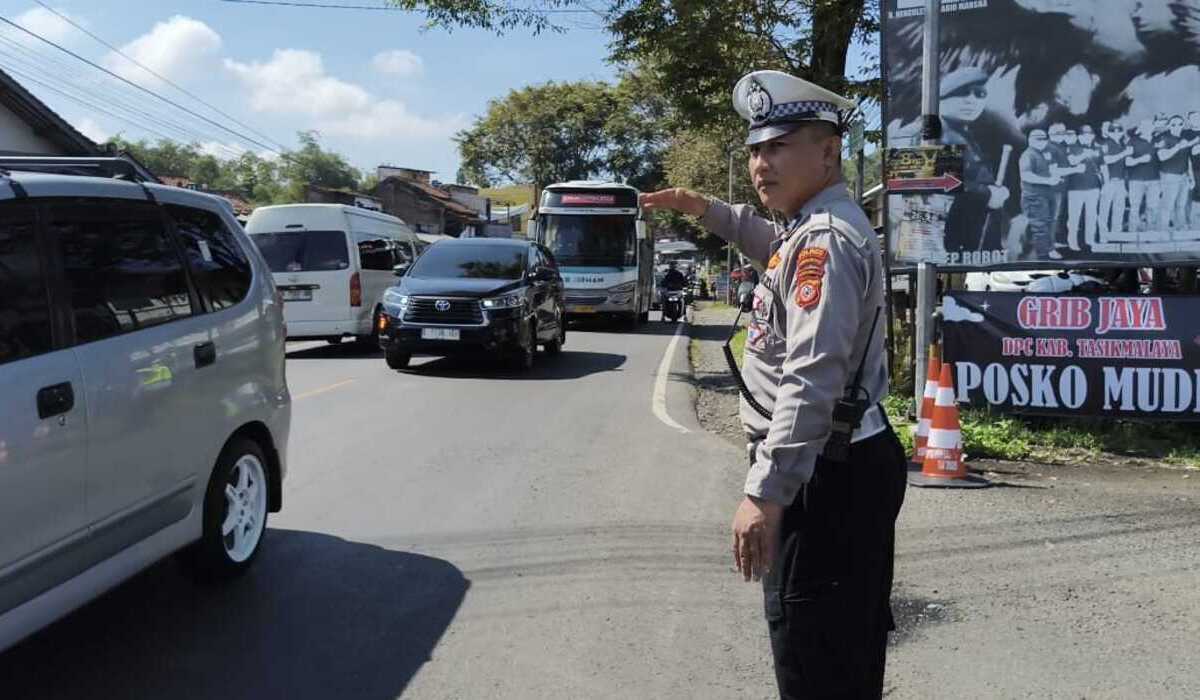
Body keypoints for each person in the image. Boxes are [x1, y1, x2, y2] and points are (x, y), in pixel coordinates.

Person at [641, 70, 905, 698]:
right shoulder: (811, 226)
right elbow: (772, 247)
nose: (761, 164)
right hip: (841, 463)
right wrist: (704, 208)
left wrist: (765, 493)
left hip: (824, 475)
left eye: (779, 146)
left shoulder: (825, 241)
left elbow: (812, 376)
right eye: (756, 149)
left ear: (829, 151)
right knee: (840, 647)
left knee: (813, 652)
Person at [938, 67, 1010, 256]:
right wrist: (988, 194)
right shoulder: (941, 136)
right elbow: (941, 183)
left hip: (971, 242)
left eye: (979, 93)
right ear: (941, 99)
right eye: (961, 93)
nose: (971, 100)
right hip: (953, 242)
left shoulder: (963, 133)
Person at [1019, 129, 1063, 259]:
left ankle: (1048, 247)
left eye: (1044, 139)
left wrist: (1054, 178)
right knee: (1039, 225)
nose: (1042, 142)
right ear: (1030, 140)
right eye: (1038, 139)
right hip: (1034, 195)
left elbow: (1047, 170)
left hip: (1047, 193)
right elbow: (1026, 175)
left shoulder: (1043, 153)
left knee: (1048, 222)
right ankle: (1044, 254)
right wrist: (1048, 180)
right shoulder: (1028, 155)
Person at [1154, 115, 1195, 232]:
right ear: (1168, 125)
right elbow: (1161, 156)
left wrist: (1191, 177)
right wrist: (1177, 147)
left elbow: (1188, 160)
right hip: (1169, 177)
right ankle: (1161, 231)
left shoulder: (1183, 139)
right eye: (1173, 124)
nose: (1176, 127)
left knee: (1181, 206)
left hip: (1184, 177)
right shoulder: (1164, 138)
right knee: (1167, 206)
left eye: (1180, 124)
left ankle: (1181, 230)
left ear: (1183, 125)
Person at [1066, 126, 1103, 251]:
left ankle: (1090, 240)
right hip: (1076, 188)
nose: (1088, 137)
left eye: (1090, 135)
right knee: (1074, 217)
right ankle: (1072, 242)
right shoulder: (1072, 146)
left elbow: (1102, 166)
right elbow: (1071, 161)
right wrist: (1084, 154)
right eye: (1085, 135)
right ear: (1079, 136)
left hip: (1093, 187)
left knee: (1092, 216)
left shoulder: (1096, 147)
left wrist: (1104, 183)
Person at [1099, 120, 1133, 237]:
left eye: (1119, 131)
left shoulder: (1122, 145)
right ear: (1109, 133)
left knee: (1119, 208)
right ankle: (1103, 235)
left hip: (1120, 181)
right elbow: (1106, 160)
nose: (1116, 133)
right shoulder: (1106, 144)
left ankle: (1116, 234)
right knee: (1105, 209)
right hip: (1109, 181)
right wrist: (1124, 154)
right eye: (1113, 131)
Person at [1126, 120, 1160, 233]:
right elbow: (1127, 161)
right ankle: (1132, 234)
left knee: (1153, 207)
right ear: (1140, 128)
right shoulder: (1132, 141)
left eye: (1150, 126)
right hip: (1136, 180)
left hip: (1155, 180)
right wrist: (1140, 160)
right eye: (1145, 126)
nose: (1148, 128)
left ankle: (1151, 233)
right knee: (1134, 207)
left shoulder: (1157, 141)